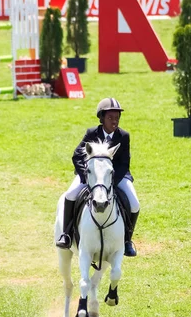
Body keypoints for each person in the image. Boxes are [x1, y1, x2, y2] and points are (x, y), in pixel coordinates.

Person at [56, 97, 140, 256]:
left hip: (116, 177)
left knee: (135, 204)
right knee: (71, 195)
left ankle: (127, 241)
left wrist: (111, 182)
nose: (114, 122)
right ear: (101, 118)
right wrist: (86, 176)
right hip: (90, 175)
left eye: (117, 118)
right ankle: (66, 234)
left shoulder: (124, 136)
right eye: (110, 118)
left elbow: (124, 164)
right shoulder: (92, 133)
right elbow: (77, 156)